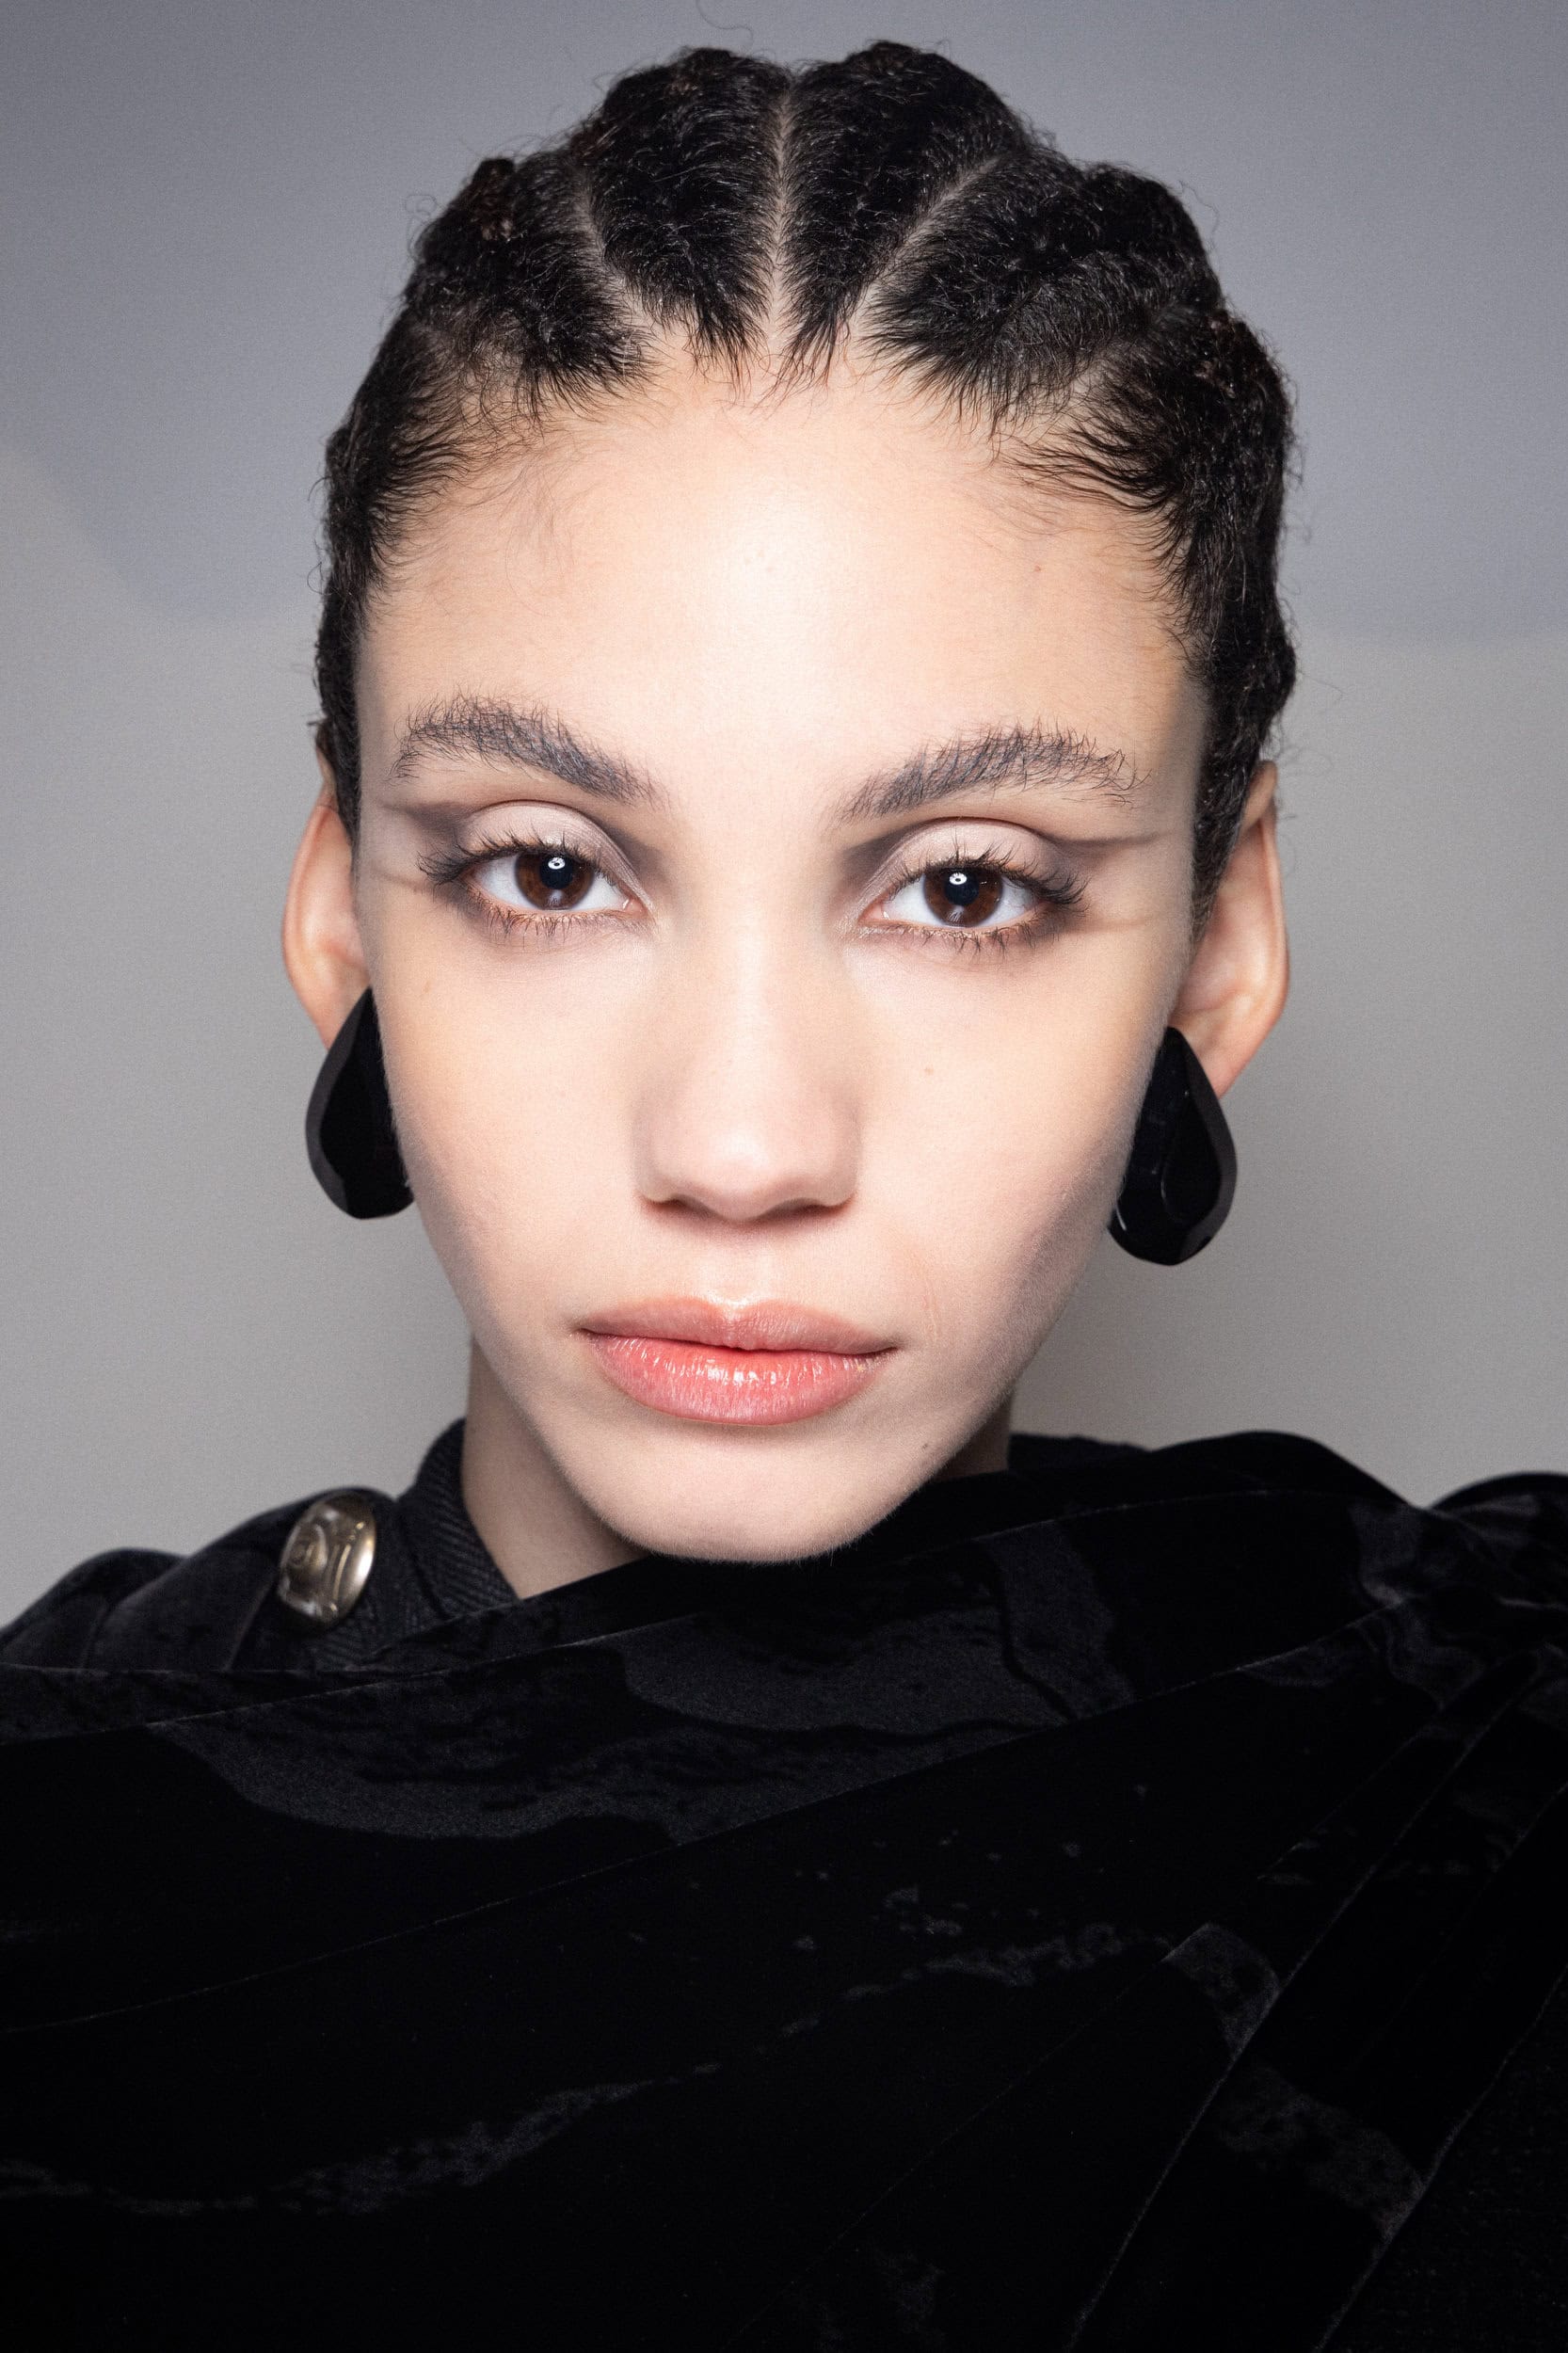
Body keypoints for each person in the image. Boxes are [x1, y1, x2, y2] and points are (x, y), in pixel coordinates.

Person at [2, 40, 1564, 2351]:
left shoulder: (1482, 1793)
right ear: (341, 904)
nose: (740, 1149)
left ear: (1218, 940)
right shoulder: (57, 1854)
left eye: (962, 886)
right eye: (549, 869)